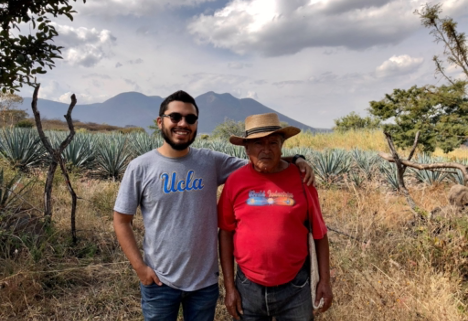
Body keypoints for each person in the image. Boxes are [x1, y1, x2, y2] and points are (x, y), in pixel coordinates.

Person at [113, 91, 314, 321]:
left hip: (204, 285)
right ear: (160, 122)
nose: (183, 124)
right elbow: (121, 220)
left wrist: (297, 159)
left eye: (190, 119)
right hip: (159, 282)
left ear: (197, 124)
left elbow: (261, 161)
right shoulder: (140, 167)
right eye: (175, 117)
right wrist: (140, 268)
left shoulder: (211, 161)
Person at [218, 113, 333, 321]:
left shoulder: (302, 180)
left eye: (273, 143)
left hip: (296, 286)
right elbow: (225, 233)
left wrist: (325, 281)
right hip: (247, 287)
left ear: (282, 146)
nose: (266, 149)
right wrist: (229, 287)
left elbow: (319, 234)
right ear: (246, 149)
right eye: (258, 144)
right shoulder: (235, 181)